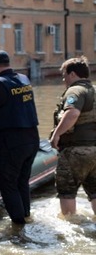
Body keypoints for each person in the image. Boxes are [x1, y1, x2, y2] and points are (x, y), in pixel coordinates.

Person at [0, 49, 39, 225]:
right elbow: (15, 107)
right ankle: (26, 215)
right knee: (21, 181)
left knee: (7, 183)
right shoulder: (24, 79)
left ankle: (18, 227)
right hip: (33, 139)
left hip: (13, 142)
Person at [49, 56, 96, 216]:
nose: (64, 79)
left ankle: (70, 225)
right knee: (95, 192)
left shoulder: (75, 91)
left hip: (75, 151)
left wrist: (56, 135)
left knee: (67, 191)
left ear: (73, 74)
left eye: (64, 75)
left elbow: (73, 113)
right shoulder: (94, 90)